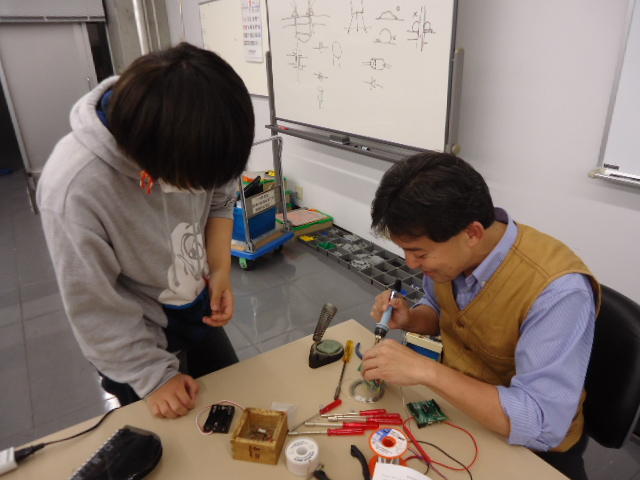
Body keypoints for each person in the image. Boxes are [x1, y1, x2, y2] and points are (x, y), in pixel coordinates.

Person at [37, 43, 255, 418]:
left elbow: (220, 199)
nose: (204, 187)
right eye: (194, 181)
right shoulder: (74, 188)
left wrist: (220, 270)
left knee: (232, 408)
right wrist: (152, 377)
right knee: (173, 438)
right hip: (132, 340)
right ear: (152, 165)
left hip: (194, 309)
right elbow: (94, 307)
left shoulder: (196, 134)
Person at [362, 152, 600, 480]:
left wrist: (426, 371)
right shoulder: (451, 254)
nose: (411, 264)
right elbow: (438, 308)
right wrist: (411, 319)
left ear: (472, 233)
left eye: (419, 253)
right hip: (462, 413)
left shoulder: (558, 293)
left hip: (533, 451)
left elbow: (543, 423)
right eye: (406, 251)